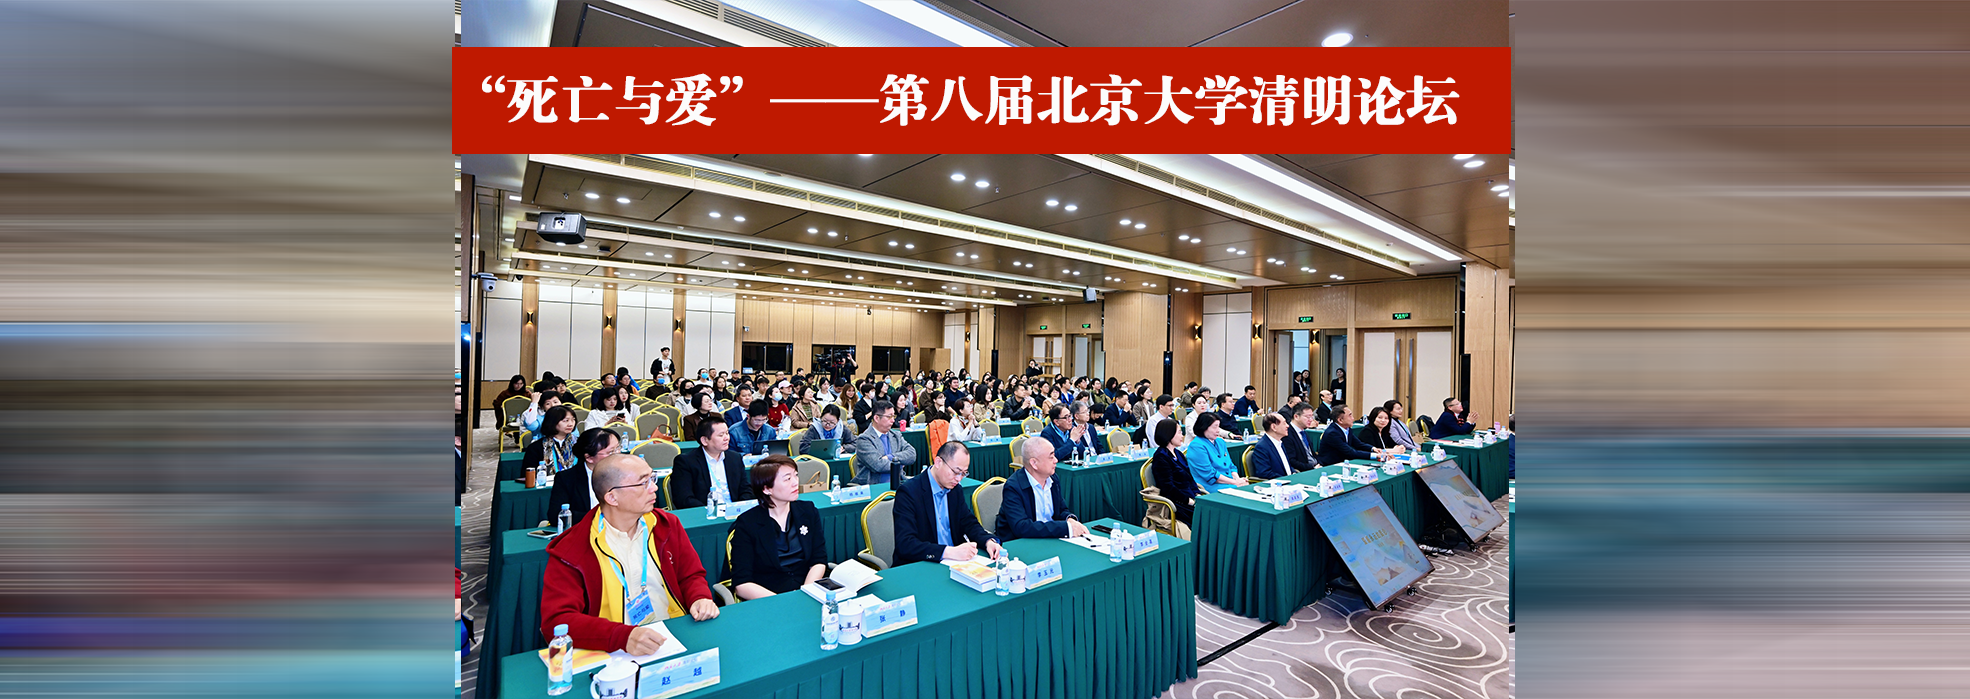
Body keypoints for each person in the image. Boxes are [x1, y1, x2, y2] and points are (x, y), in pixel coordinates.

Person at [540, 454, 717, 654]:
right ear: (612, 497)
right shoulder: (573, 548)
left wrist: (699, 597)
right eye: (643, 483)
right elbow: (557, 621)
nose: (654, 488)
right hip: (612, 651)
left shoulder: (666, 525)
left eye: (652, 478)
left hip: (673, 635)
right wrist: (621, 636)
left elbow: (690, 575)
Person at [727, 456, 827, 599]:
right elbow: (742, 584)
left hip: (807, 590)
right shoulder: (748, 523)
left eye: (796, 475)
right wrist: (781, 602)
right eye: (787, 479)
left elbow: (818, 560)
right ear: (767, 489)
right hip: (769, 596)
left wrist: (806, 593)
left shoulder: (808, 511)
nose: (796, 482)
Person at [892, 442, 1002, 564]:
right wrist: (948, 552)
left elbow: (969, 523)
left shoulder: (955, 490)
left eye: (964, 473)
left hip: (954, 563)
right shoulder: (909, 492)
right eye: (956, 472)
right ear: (938, 462)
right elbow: (905, 544)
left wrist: (988, 541)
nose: (959, 478)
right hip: (921, 564)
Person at [996, 438, 1089, 541]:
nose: (1056, 460)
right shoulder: (1013, 487)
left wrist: (1070, 520)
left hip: (1049, 538)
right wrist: (1065, 528)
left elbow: (1061, 510)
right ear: (1034, 463)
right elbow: (1021, 527)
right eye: (1051, 457)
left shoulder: (1053, 479)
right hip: (1020, 542)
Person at [670, 415, 753, 509]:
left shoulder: (734, 458)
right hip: (706, 513)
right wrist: (711, 510)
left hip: (734, 511)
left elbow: (746, 489)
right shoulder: (686, 462)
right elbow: (683, 499)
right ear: (704, 440)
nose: (726, 438)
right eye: (721, 435)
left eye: (727, 433)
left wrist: (738, 508)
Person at [550, 428, 620, 518]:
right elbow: (556, 515)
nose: (617, 454)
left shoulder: (626, 473)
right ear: (589, 458)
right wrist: (598, 518)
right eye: (611, 452)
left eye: (617, 448)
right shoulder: (567, 478)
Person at [1148, 419, 1202, 526]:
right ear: (1169, 434)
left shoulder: (1178, 453)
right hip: (1177, 502)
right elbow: (1168, 488)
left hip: (1190, 497)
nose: (1182, 436)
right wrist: (1189, 501)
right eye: (1179, 432)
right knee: (1206, 517)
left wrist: (1197, 494)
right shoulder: (1161, 457)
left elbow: (1189, 478)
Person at [850, 400, 915, 486]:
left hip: (898, 483)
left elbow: (912, 454)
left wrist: (889, 457)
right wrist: (900, 464)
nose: (893, 420)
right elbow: (878, 465)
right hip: (873, 486)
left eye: (893, 416)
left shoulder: (896, 435)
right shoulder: (864, 439)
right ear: (876, 418)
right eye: (889, 417)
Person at [1318, 404, 1398, 466]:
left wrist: (1373, 449)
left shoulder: (1347, 429)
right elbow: (1350, 452)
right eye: (1350, 415)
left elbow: (1358, 444)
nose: (1353, 418)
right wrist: (1376, 455)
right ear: (1340, 420)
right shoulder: (1332, 433)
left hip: (1343, 463)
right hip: (1330, 465)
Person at [1185, 413, 1243, 493]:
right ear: (1204, 427)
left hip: (1228, 481)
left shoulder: (1220, 442)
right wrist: (1235, 483)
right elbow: (1209, 474)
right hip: (1210, 485)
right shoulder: (1196, 446)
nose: (1218, 430)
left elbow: (1230, 465)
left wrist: (1238, 479)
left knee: (1245, 486)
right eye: (1215, 427)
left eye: (1218, 426)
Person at [523, 406, 580, 475]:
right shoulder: (536, 447)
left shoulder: (579, 443)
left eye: (573, 420)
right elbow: (528, 474)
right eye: (566, 420)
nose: (571, 424)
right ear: (553, 422)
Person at [1247, 413, 1298, 480]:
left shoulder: (1280, 443)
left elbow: (1287, 466)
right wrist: (1286, 479)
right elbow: (1264, 473)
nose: (1287, 426)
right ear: (1274, 427)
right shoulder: (1262, 447)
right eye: (1284, 423)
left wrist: (1293, 473)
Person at [1280, 402, 1320, 472]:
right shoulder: (1287, 434)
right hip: (1303, 470)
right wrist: (1312, 467)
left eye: (1312, 417)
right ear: (1296, 417)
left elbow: (1312, 454)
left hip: (1315, 467)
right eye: (1308, 417)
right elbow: (1291, 461)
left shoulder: (1304, 432)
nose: (1311, 420)